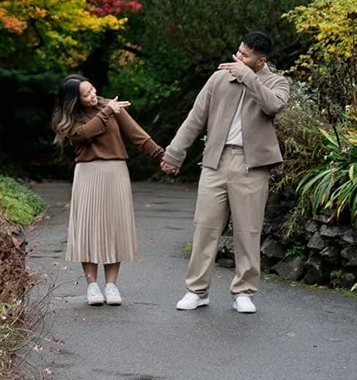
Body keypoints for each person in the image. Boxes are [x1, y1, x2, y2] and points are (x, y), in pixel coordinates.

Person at [160, 31, 289, 315]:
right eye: (239, 51)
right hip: (216, 161)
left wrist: (246, 76)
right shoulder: (219, 78)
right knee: (204, 227)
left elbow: (273, 105)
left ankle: (244, 291)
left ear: (261, 60)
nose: (238, 58)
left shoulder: (276, 82)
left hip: (252, 165)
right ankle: (197, 290)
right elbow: (195, 118)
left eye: (245, 55)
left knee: (248, 230)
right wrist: (174, 153)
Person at [52, 74, 166, 306]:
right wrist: (107, 112)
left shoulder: (111, 106)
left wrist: (164, 156)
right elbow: (83, 134)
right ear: (75, 101)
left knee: (115, 227)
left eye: (93, 90)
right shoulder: (72, 120)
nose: (93, 95)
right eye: (87, 95)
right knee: (89, 229)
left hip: (116, 171)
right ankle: (92, 286)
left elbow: (138, 135)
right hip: (87, 173)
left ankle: (111, 285)